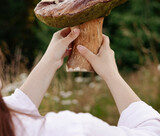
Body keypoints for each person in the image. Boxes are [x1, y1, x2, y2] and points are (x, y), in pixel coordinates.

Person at [1, 28, 160, 136]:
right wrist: (111, 73)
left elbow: (13, 108)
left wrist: (50, 61)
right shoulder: (70, 130)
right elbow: (153, 130)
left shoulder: (10, 126)